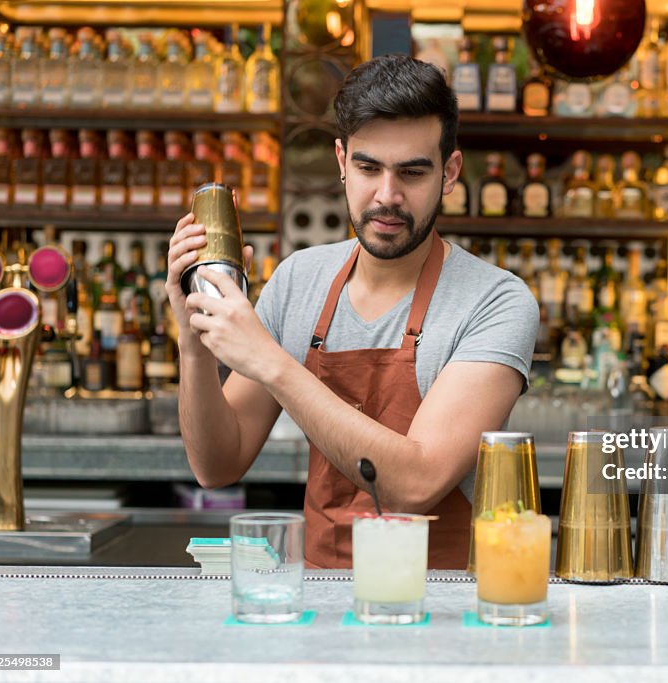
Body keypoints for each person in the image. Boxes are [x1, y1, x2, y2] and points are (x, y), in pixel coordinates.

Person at [166, 54, 538, 569]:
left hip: (442, 610)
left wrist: (272, 363)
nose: (387, 196)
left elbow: (416, 483)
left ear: (450, 172)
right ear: (341, 161)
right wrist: (192, 340)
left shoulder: (494, 301)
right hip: (320, 605)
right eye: (368, 168)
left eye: (412, 172)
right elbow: (216, 464)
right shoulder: (300, 281)